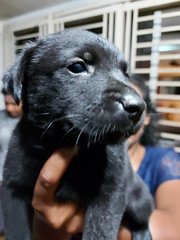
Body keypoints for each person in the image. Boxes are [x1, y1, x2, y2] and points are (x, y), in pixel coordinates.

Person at [32, 74, 180, 240]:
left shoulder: (164, 160)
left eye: (132, 107)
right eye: (108, 105)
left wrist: (95, 223)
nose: (119, 118)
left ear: (146, 118)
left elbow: (173, 230)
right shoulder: (73, 161)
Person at [0, 88, 22, 235]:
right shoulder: (1, 119)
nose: (9, 108)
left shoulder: (34, 120)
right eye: (6, 103)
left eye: (14, 104)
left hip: (24, 179)